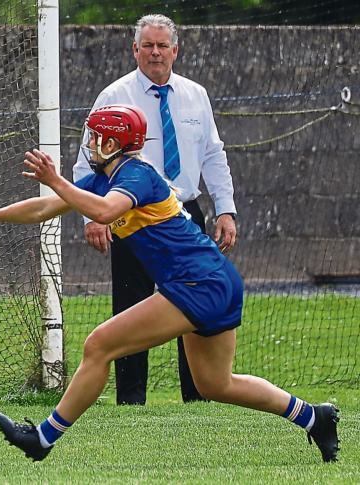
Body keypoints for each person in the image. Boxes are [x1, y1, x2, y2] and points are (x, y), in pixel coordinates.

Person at [0, 105, 340, 463]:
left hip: (197, 283)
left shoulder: (136, 176)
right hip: (214, 281)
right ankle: (314, 418)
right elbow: (43, 207)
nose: (88, 144)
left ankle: (41, 439)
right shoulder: (104, 179)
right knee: (215, 384)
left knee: (98, 345)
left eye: (94, 137)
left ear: (112, 143)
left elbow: (105, 213)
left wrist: (55, 179)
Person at [72, 14, 238, 405]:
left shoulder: (197, 94)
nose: (156, 53)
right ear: (135, 49)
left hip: (185, 214)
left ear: (175, 50)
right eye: (147, 45)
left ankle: (197, 397)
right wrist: (93, 216)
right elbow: (86, 162)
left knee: (192, 304)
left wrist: (226, 209)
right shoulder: (114, 96)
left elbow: (214, 155)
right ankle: (131, 400)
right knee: (130, 304)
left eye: (163, 45)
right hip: (130, 215)